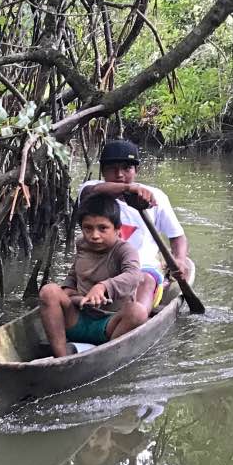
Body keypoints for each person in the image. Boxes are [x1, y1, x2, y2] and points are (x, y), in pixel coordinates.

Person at [78, 139, 188, 313]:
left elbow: (177, 236)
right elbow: (93, 191)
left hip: (143, 268)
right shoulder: (91, 190)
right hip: (100, 265)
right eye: (112, 169)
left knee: (143, 279)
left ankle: (136, 321)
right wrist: (129, 189)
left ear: (137, 170)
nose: (120, 174)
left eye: (126, 168)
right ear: (103, 171)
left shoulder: (157, 197)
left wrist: (180, 260)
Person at [38, 193, 148, 358]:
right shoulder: (82, 245)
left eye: (103, 228)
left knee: (138, 312)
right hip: (78, 318)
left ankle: (105, 357)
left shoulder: (124, 250)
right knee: (49, 291)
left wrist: (103, 287)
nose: (94, 235)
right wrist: (68, 290)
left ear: (118, 229)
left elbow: (134, 276)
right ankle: (61, 358)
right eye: (88, 228)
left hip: (110, 324)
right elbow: (74, 274)